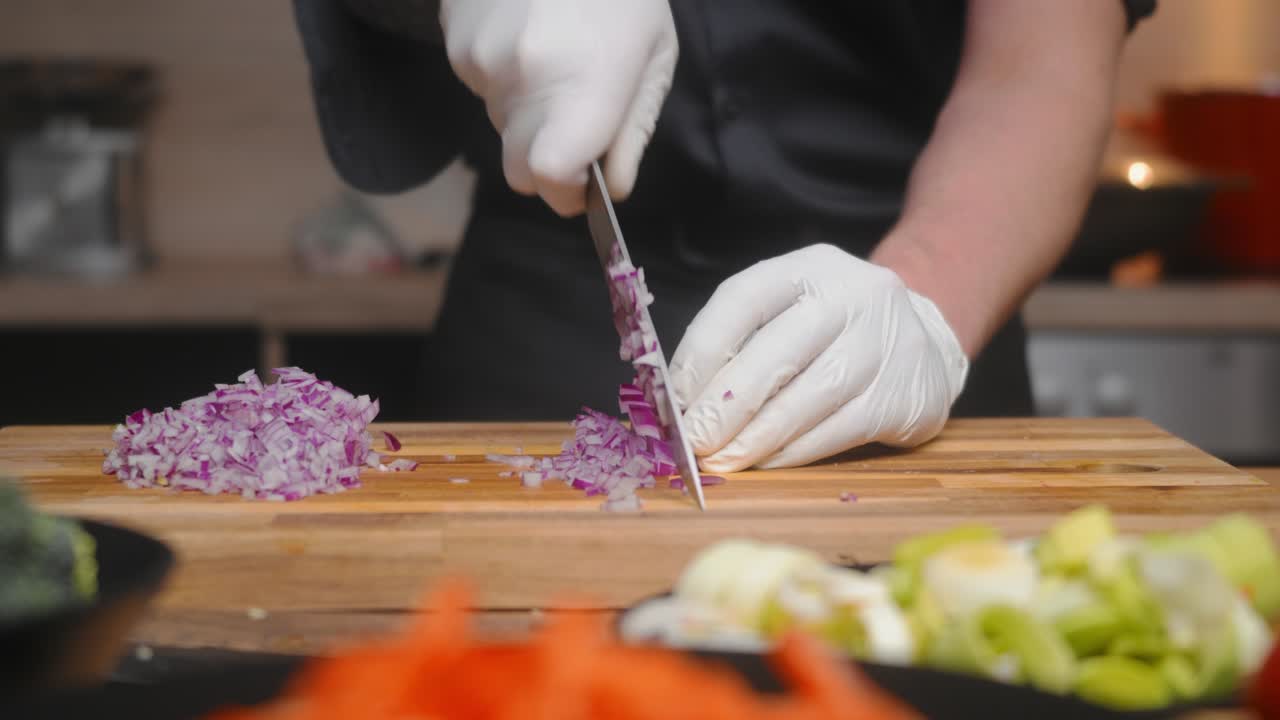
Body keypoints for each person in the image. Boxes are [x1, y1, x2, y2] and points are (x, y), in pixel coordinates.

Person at [293, 0, 1156, 472]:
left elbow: (1039, 67)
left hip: (911, 296)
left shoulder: (915, 315)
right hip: (543, 311)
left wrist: (926, 305)